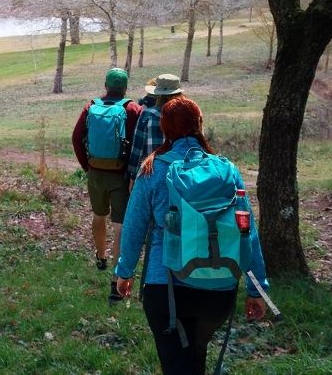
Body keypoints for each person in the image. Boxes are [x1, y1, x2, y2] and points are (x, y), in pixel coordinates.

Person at [114, 97, 268, 375]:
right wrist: (257, 288)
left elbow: (134, 227)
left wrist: (124, 273)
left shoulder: (152, 169)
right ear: (200, 125)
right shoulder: (227, 171)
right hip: (219, 290)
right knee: (194, 360)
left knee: (178, 365)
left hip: (166, 288)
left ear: (164, 128)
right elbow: (247, 231)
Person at [72, 67, 142, 302]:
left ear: (106, 86)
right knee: (119, 226)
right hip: (120, 175)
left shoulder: (91, 106)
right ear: (125, 88)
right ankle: (115, 281)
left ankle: (101, 256)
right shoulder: (132, 109)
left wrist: (87, 165)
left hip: (95, 172)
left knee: (98, 215)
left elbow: (76, 137)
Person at [127, 74, 184, 191]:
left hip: (152, 174)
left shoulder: (148, 114)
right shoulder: (188, 114)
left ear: (158, 94)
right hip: (180, 176)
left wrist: (132, 176)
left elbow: (137, 148)